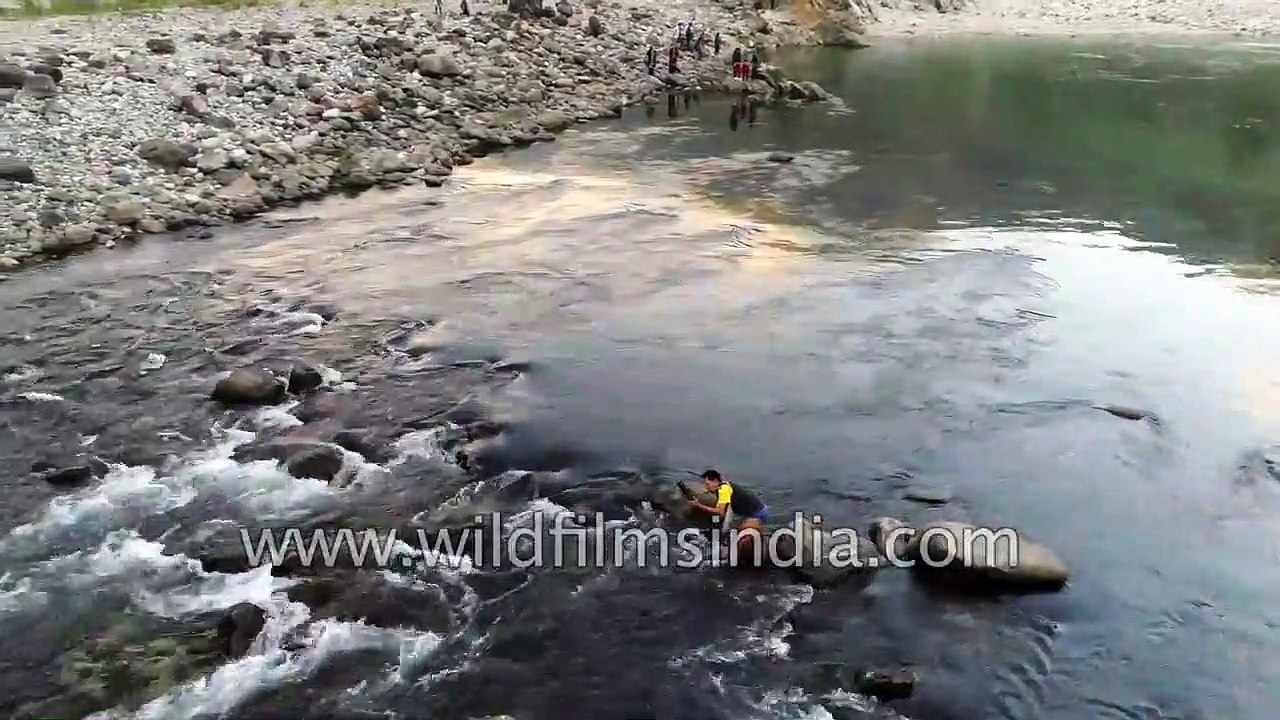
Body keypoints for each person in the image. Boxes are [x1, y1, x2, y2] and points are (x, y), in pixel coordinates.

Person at [687, 469, 768, 558]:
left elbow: (720, 512)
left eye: (707, 484)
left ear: (715, 481)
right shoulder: (724, 485)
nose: (706, 487)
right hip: (751, 511)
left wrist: (698, 505)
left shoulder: (724, 490)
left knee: (742, 543)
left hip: (756, 514)